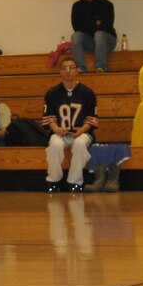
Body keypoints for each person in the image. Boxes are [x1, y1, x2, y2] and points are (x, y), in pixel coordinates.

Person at [42, 57, 99, 191]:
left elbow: (92, 119)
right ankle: (54, 181)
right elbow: (49, 117)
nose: (68, 71)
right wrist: (56, 128)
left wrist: (81, 130)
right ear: (60, 71)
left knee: (79, 144)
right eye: (65, 68)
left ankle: (75, 182)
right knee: (55, 145)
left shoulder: (87, 93)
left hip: (82, 133)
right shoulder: (52, 93)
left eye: (72, 68)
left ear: (77, 71)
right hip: (60, 133)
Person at [70, 0, 115, 73]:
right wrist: (96, 23)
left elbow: (106, 26)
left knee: (99, 34)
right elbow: (77, 27)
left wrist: (89, 25)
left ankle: (101, 67)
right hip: (90, 42)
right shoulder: (77, 6)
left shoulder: (107, 4)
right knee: (76, 36)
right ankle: (80, 68)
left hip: (107, 41)